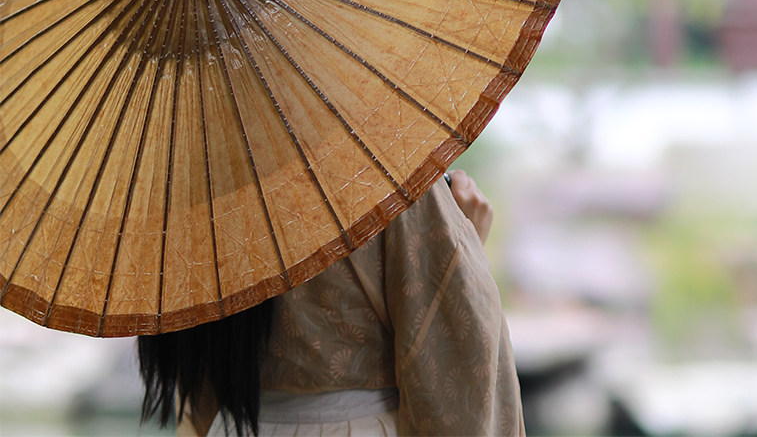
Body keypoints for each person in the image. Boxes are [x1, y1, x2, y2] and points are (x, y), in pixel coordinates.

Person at [138, 169, 524, 436]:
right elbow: (457, 357)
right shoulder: (379, 165)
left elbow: (201, 388)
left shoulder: (184, 188)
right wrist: (466, 244)